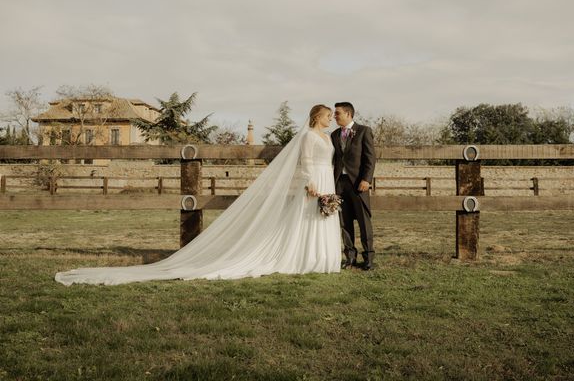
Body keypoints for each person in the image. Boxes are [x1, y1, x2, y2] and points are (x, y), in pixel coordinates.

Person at [55, 105, 341, 285]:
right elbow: (303, 162)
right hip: (314, 180)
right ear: (317, 116)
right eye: (329, 116)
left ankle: (322, 258)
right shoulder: (307, 136)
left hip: (326, 177)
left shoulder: (328, 137)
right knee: (304, 219)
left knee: (322, 219)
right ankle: (305, 257)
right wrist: (307, 183)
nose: (331, 120)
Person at [331, 102, 376, 270]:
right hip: (339, 184)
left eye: (337, 113)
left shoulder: (364, 131)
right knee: (344, 222)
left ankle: (369, 257)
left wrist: (366, 179)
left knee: (364, 222)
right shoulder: (334, 135)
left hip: (358, 183)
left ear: (348, 114)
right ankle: (350, 257)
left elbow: (370, 158)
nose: (334, 116)